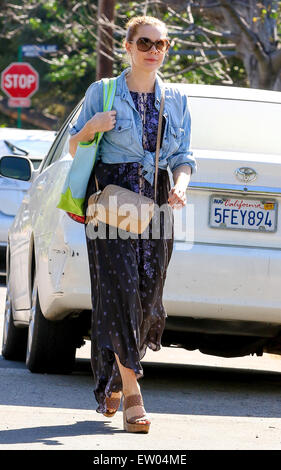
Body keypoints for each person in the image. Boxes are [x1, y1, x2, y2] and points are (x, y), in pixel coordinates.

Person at [68, 15, 196, 434]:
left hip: (158, 199)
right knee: (119, 288)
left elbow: (184, 158)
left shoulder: (175, 99)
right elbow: (74, 145)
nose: (154, 51)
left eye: (162, 44)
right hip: (112, 200)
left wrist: (180, 186)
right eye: (145, 43)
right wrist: (92, 127)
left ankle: (108, 380)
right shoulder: (102, 93)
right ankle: (132, 393)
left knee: (146, 296)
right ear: (127, 46)